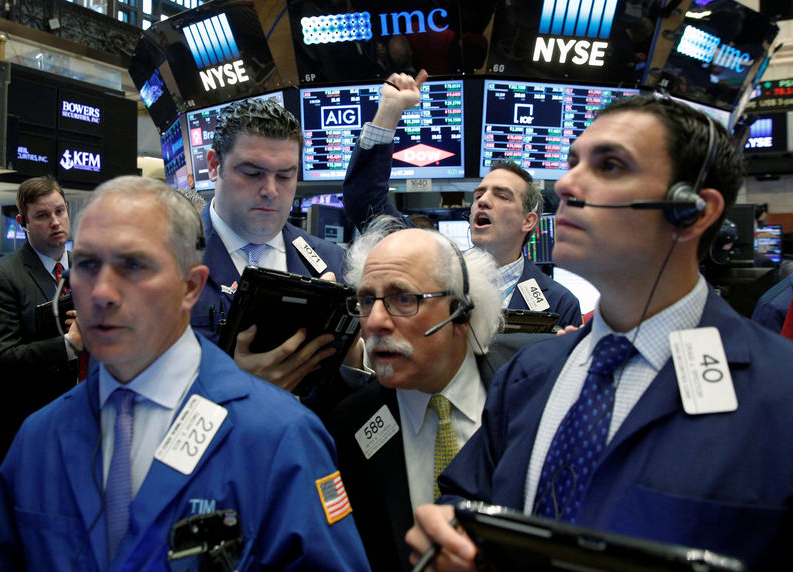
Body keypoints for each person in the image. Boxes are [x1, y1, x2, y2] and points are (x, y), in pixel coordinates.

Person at [406, 96, 793, 571]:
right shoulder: (530, 372)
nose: (567, 183)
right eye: (572, 163)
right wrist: (448, 531)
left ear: (694, 211)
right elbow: (464, 496)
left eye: (609, 165)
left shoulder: (781, 393)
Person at [0, 177, 370, 571]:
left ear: (191, 287)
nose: (103, 292)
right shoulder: (39, 439)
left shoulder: (280, 434)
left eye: (133, 265)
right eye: (87, 264)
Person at [317, 215, 549, 571]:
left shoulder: (538, 381)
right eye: (366, 301)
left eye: (404, 298)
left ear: (461, 312)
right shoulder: (345, 428)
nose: (375, 321)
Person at [342, 71, 582, 327]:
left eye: (501, 195)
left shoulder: (559, 303)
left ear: (528, 220)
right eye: (479, 194)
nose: (483, 201)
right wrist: (390, 110)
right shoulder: (435, 263)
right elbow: (365, 200)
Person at [191, 98, 347, 388]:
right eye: (252, 173)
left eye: (285, 176)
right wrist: (233, 387)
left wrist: (356, 358)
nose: (271, 191)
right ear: (214, 166)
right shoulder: (169, 261)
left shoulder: (333, 263)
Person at [0, 176, 82, 470]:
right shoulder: (4, 276)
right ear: (23, 221)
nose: (55, 222)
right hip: (31, 429)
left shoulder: (91, 268)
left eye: (59, 211)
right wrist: (70, 344)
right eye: (43, 216)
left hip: (87, 422)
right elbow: (2, 357)